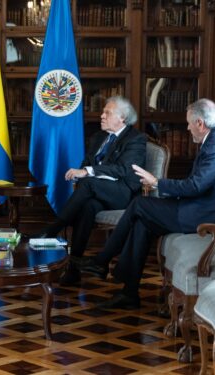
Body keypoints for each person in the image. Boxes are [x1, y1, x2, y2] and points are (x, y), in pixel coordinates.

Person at [78, 98, 215, 309]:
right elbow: (198, 186)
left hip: (209, 216)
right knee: (142, 221)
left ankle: (102, 260)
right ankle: (129, 293)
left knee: (140, 204)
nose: (187, 128)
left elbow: (196, 186)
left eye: (188, 123)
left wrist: (156, 182)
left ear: (200, 124)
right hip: (202, 207)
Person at [38, 96, 147, 286]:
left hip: (123, 193)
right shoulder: (98, 137)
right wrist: (84, 172)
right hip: (97, 193)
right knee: (87, 206)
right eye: (103, 112)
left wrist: (87, 173)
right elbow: (87, 163)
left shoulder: (136, 139)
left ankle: (53, 229)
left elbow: (123, 170)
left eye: (107, 112)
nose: (102, 115)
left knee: (87, 183)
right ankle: (73, 270)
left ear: (122, 118)